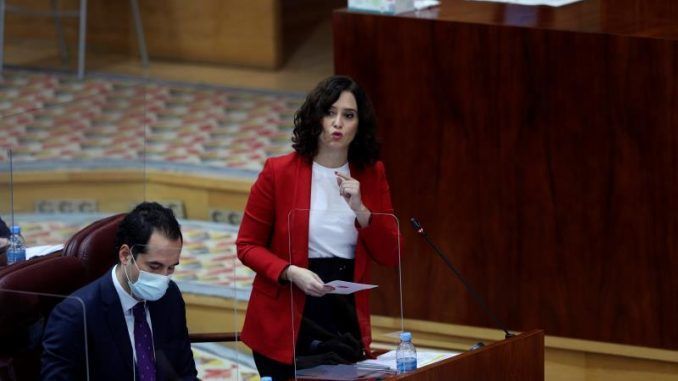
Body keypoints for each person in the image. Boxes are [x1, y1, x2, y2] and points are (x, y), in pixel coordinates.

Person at [236, 75, 401, 380]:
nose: (338, 123)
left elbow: (391, 254)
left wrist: (362, 211)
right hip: (288, 313)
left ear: (359, 124)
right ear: (317, 117)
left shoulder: (372, 175)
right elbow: (247, 245)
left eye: (348, 115)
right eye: (330, 112)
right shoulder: (279, 171)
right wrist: (290, 271)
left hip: (342, 313)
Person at [41, 202, 198, 381]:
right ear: (125, 255)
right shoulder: (77, 314)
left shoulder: (170, 296)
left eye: (171, 268)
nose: (163, 278)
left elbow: (185, 372)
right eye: (155, 266)